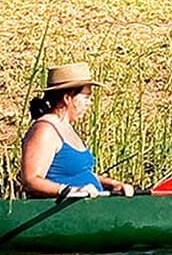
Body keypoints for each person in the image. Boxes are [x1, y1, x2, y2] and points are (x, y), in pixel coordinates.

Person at [18, 63, 135, 199]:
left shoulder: (66, 127)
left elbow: (77, 173)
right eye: (86, 97)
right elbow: (31, 180)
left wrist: (112, 184)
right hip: (61, 214)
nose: (89, 103)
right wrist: (70, 190)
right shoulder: (45, 130)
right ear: (68, 98)